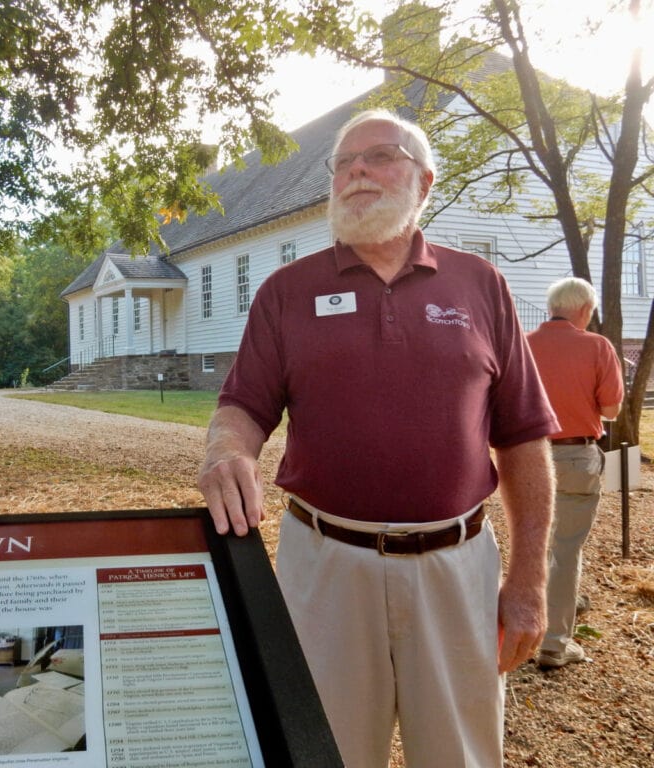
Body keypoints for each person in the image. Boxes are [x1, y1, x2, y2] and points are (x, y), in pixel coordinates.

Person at [197, 109, 558, 768]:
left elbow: (525, 437)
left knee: (460, 757)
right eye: (343, 162)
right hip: (324, 567)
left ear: (423, 182)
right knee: (319, 751)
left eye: (379, 156)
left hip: (457, 567)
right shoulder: (286, 293)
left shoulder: (481, 286)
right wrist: (226, 451)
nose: (355, 170)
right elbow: (242, 407)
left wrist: (531, 579)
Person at [527, 277, 623, 669]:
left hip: (527, 457)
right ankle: (554, 644)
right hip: (576, 456)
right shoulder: (597, 346)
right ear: (585, 309)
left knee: (532, 546)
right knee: (566, 548)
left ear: (553, 307)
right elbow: (613, 410)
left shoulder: (522, 345)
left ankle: (519, 626)